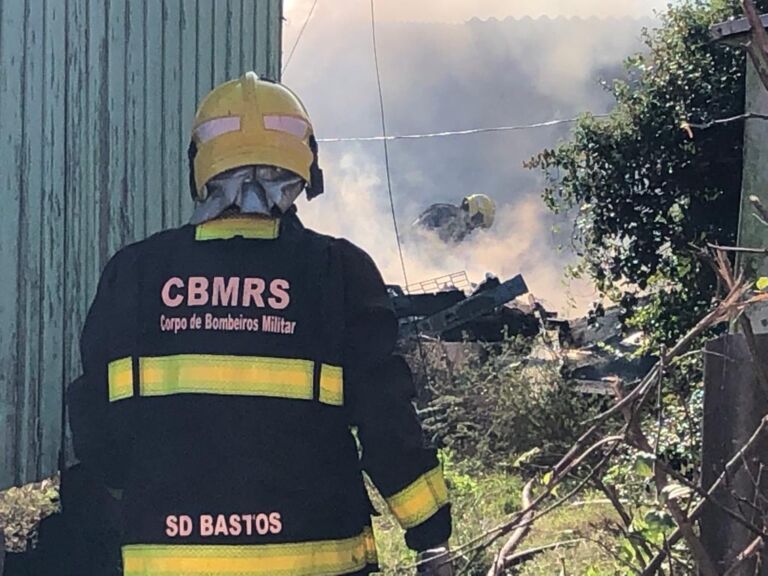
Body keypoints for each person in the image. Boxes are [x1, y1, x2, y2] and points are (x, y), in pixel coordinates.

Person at [72, 71, 453, 576]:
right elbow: (386, 420)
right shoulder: (337, 273)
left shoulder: (136, 273)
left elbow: (98, 431)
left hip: (169, 559)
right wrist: (431, 538)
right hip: (319, 559)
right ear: (302, 170)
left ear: (200, 166)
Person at [412, 194, 496, 243]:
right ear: (474, 209)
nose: (475, 227)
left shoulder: (459, 233)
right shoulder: (443, 211)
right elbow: (417, 233)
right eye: (478, 220)